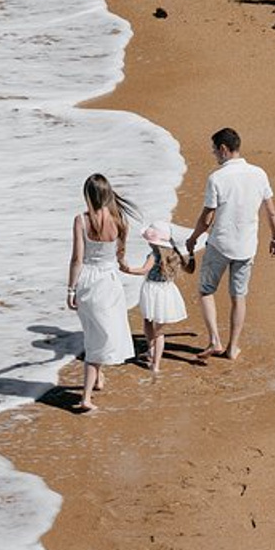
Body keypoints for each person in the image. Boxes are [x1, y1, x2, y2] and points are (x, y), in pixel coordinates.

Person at [184, 127, 275, 361]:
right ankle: (232, 347)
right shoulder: (259, 174)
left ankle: (215, 339)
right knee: (239, 296)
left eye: (215, 151)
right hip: (246, 248)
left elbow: (207, 218)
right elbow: (271, 211)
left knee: (206, 291)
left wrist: (193, 238)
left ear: (224, 150)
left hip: (220, 245)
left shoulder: (217, 178)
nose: (214, 155)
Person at [66, 173, 137, 412]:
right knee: (101, 334)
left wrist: (70, 289)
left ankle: (86, 396)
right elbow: (120, 256)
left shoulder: (81, 220)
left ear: (88, 195)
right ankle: (96, 380)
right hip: (109, 282)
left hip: (88, 281)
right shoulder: (119, 221)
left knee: (93, 336)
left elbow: (77, 258)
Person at [122, 221, 193, 374]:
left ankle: (151, 350)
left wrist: (127, 270)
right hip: (167, 291)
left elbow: (143, 270)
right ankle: (156, 364)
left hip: (152, 290)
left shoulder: (153, 254)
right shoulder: (174, 253)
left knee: (148, 320)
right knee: (159, 330)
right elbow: (189, 268)